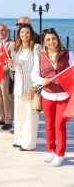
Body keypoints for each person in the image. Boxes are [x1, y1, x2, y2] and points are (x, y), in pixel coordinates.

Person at [31, 28, 74, 167]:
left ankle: (60, 154)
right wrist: (41, 80)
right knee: (49, 125)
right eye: (48, 39)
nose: (51, 42)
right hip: (47, 95)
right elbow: (34, 75)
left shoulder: (68, 54)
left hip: (63, 95)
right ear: (44, 41)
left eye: (53, 38)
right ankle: (51, 151)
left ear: (58, 39)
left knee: (59, 125)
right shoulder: (40, 56)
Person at [7, 24, 41, 151]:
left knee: (31, 117)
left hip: (30, 87)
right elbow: (15, 68)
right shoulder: (17, 48)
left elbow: (39, 68)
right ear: (19, 35)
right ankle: (19, 139)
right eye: (22, 33)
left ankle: (29, 144)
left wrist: (34, 87)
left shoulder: (36, 48)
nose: (24, 35)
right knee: (20, 115)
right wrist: (11, 64)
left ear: (31, 34)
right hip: (18, 86)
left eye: (27, 32)